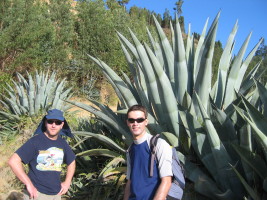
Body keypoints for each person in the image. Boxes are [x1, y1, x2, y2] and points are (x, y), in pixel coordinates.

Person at [8, 109, 76, 200]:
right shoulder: (35, 141)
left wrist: (67, 182)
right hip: (37, 194)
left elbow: (71, 161)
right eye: (50, 121)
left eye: (58, 122)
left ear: (62, 125)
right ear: (45, 122)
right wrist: (29, 184)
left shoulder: (62, 143)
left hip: (56, 194)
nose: (53, 125)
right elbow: (13, 161)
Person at [123, 105, 173, 200]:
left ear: (146, 122)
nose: (135, 123)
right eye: (131, 120)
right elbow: (130, 181)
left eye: (140, 120)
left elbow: (166, 181)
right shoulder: (130, 150)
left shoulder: (159, 144)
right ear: (127, 123)